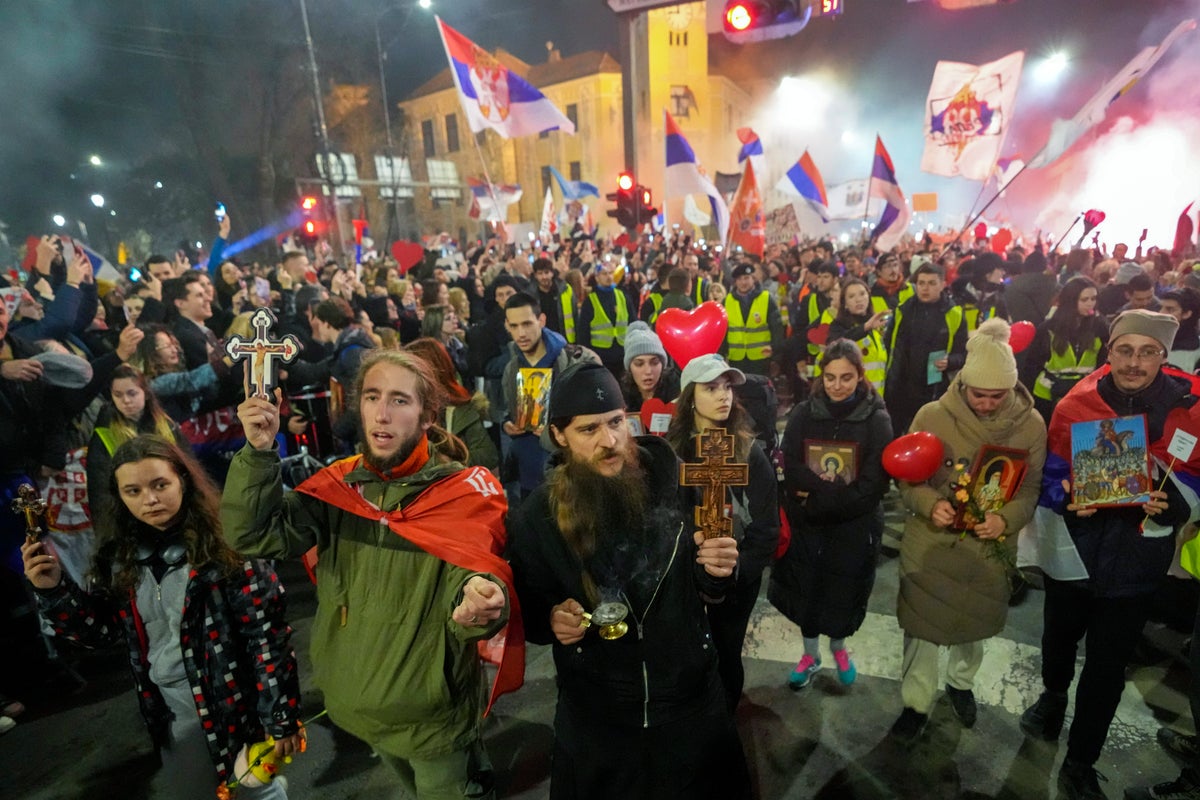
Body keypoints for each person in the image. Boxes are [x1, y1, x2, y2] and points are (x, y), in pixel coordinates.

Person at [223, 349, 519, 800]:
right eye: (372, 397)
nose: (382, 413)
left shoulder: (461, 493)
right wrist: (259, 452)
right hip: (360, 713)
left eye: (400, 400)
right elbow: (253, 535)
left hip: (432, 722)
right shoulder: (339, 488)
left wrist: (483, 600)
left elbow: (478, 577)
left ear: (427, 416)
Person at [509, 361, 751, 799]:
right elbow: (532, 609)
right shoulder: (536, 520)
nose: (610, 441)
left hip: (689, 705)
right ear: (560, 436)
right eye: (589, 430)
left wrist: (716, 573)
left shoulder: (675, 480)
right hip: (600, 720)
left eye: (616, 422)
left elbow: (711, 590)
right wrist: (552, 620)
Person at [23, 436, 302, 799]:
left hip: (237, 707)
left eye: (160, 484)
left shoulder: (230, 544)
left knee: (253, 795)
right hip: (170, 714)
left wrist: (279, 717)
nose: (149, 499)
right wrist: (54, 589)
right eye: (133, 490)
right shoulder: (119, 557)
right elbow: (102, 632)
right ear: (119, 497)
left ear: (182, 480)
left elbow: (267, 636)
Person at [1022, 310, 1197, 800]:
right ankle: (1053, 696)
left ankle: (1082, 760)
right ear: (1109, 351)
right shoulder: (1074, 404)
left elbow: (1198, 475)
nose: (1134, 362)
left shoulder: (1192, 409)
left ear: (1165, 355)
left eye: (1147, 351)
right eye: (1125, 350)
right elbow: (1049, 476)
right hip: (1074, 553)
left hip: (1138, 562)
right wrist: (1065, 497)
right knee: (1057, 639)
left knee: (1107, 668)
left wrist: (1182, 503)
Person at [891, 319, 1046, 742]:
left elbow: (1030, 488)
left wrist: (1006, 518)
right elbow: (907, 481)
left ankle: (961, 684)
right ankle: (915, 702)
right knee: (921, 629)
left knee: (972, 624)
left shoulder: (1031, 424)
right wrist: (929, 504)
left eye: (999, 395)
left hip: (988, 543)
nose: (988, 403)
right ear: (962, 384)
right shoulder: (932, 415)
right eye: (980, 394)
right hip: (933, 541)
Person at [770, 339, 893, 690]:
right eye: (830, 377)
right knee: (807, 591)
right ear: (820, 377)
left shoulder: (876, 419)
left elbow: (874, 482)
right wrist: (816, 494)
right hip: (808, 522)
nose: (837, 386)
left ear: (860, 377)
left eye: (846, 377)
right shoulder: (805, 413)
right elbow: (788, 461)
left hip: (853, 525)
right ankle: (810, 655)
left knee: (843, 591)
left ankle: (839, 646)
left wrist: (826, 500)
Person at [663, 353, 778, 711]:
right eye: (711, 388)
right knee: (688, 650)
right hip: (687, 577)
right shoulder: (673, 453)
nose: (723, 395)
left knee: (727, 652)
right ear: (689, 397)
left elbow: (766, 528)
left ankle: (726, 717)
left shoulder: (749, 452)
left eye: (727, 387)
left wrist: (736, 569)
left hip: (736, 579)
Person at [501, 293, 599, 500]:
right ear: (507, 326)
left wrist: (551, 435)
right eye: (514, 326)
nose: (521, 333)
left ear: (541, 320)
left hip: (570, 476)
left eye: (527, 324)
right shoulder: (511, 370)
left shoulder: (577, 361)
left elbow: (595, 421)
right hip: (528, 479)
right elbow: (508, 410)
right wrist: (507, 424)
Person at [86, 364, 190, 516]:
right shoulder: (104, 434)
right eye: (118, 395)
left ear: (146, 393)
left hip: (176, 509)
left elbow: (189, 470)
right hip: (132, 516)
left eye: (132, 393)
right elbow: (100, 495)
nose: (126, 401)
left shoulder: (167, 425)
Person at [884, 262, 968, 439]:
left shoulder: (954, 315)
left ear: (942, 285)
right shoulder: (903, 311)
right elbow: (889, 346)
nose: (925, 288)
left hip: (934, 390)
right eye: (921, 283)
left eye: (931, 283)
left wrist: (950, 361)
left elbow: (964, 354)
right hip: (900, 389)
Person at [1020, 277, 1109, 425]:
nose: (1090, 303)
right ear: (1071, 301)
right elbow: (1032, 365)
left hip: (1084, 394)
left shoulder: (1100, 327)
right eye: (1084, 299)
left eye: (1093, 298)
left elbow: (1103, 363)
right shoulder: (1048, 328)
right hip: (1048, 396)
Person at [404, 337, 499, 471]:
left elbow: (488, 457)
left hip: (451, 487)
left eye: (411, 371)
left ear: (434, 371)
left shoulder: (462, 410)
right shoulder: (399, 410)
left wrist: (447, 462)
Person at [826, 279, 889, 394]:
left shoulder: (876, 327)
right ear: (844, 303)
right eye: (851, 296)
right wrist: (865, 327)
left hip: (877, 398)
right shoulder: (839, 326)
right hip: (853, 398)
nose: (858, 299)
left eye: (862, 294)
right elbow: (836, 344)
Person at [724, 262, 783, 377]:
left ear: (753, 279)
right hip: (736, 358)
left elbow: (777, 329)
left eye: (747, 278)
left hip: (761, 357)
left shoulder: (766, 298)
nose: (743, 282)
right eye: (740, 279)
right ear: (735, 281)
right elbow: (723, 332)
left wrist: (776, 357)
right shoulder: (727, 301)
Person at [578, 257, 630, 379]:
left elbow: (632, 322)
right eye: (604, 273)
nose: (609, 276)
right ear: (597, 277)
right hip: (601, 357)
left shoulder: (622, 296)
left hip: (622, 355)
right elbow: (583, 332)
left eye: (611, 273)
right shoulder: (590, 301)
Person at [619, 321, 680, 414]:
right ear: (629, 368)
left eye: (654, 363)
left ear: (663, 365)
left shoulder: (678, 392)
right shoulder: (621, 396)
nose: (648, 371)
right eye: (639, 364)